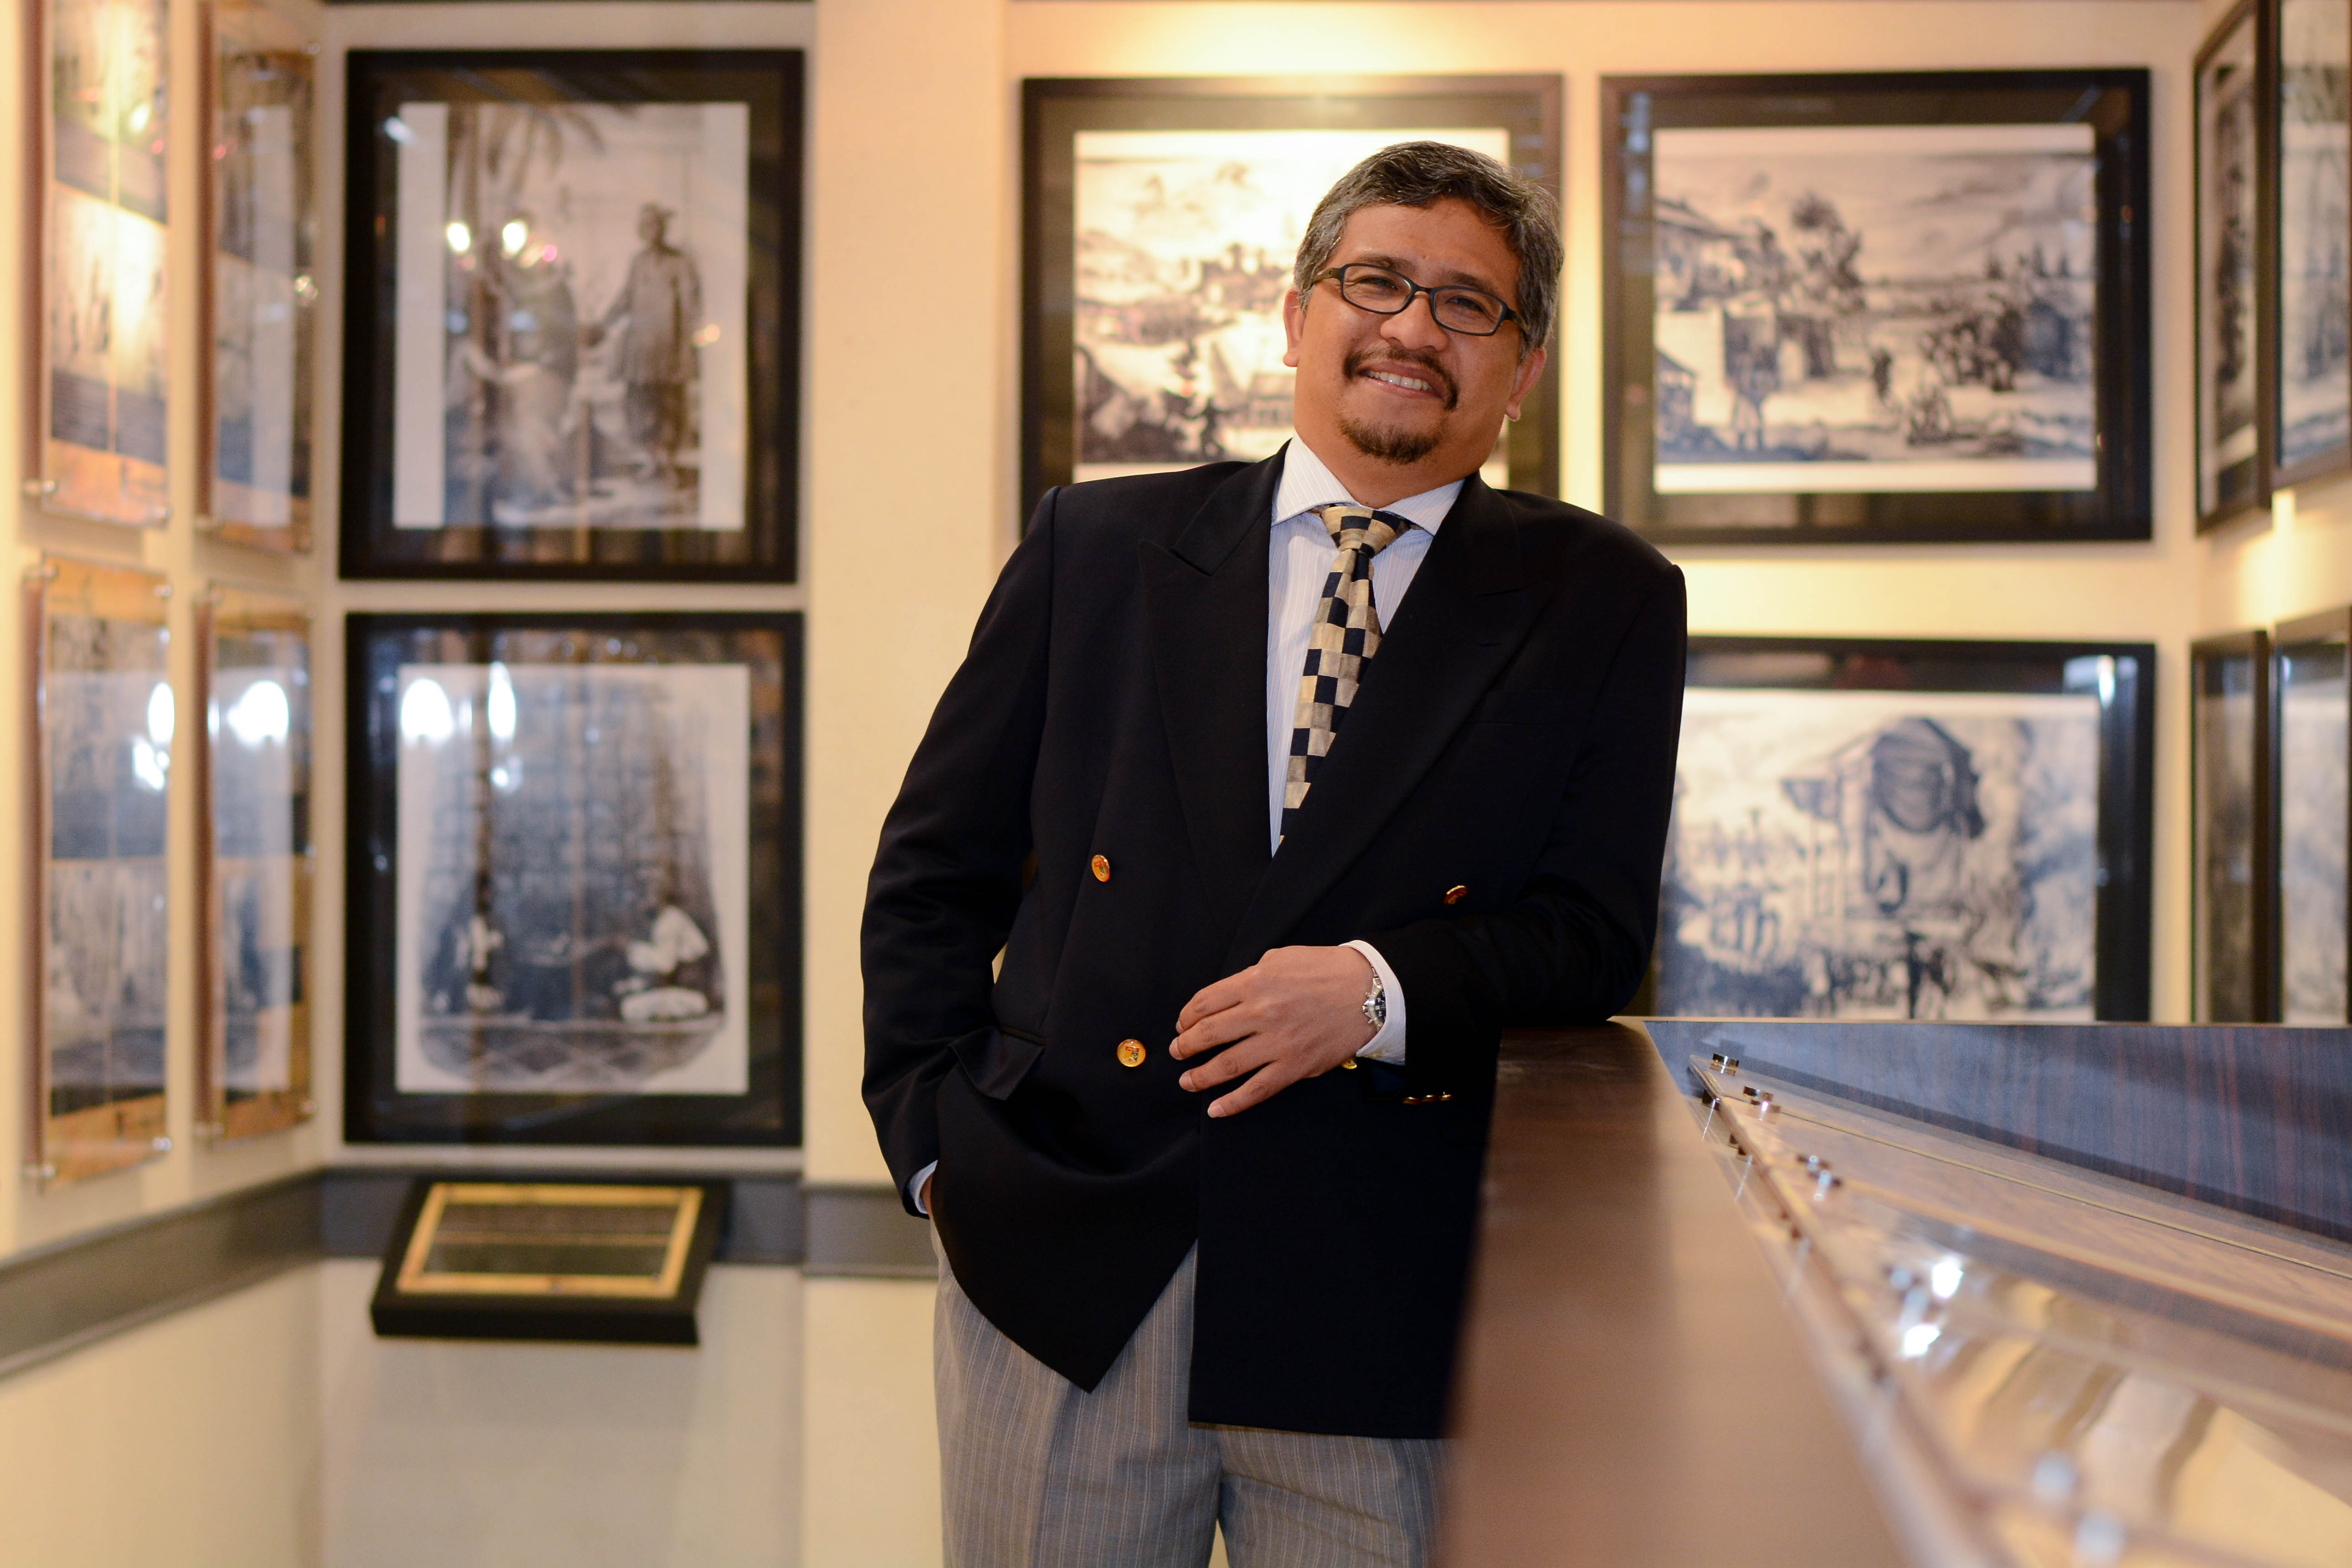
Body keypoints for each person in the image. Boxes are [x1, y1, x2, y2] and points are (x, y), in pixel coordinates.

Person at [863, 141, 1686, 1567]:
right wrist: (938, 1154)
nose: (1414, 327)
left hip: (1387, 1293)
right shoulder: (1095, 543)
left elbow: (1592, 934)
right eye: (1376, 282)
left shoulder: (1602, 597)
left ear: (1524, 369)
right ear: (1297, 316)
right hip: (1065, 1266)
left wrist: (1375, 991)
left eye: (1468, 304)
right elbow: (936, 870)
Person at [587, 203, 702, 485]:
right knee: (639, 406)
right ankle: (652, 461)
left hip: (669, 350)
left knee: (670, 407)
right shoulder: (638, 262)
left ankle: (669, 463)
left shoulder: (679, 263)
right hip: (641, 351)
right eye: (647, 226)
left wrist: (691, 345)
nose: (652, 231)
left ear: (664, 228)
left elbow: (692, 306)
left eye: (657, 225)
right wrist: (602, 325)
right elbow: (625, 299)